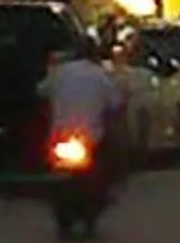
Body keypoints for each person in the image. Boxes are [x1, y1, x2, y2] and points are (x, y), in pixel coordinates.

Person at [39, 41, 124, 191]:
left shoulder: (59, 72)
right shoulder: (100, 75)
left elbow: (40, 91)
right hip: (91, 136)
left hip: (60, 135)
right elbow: (116, 103)